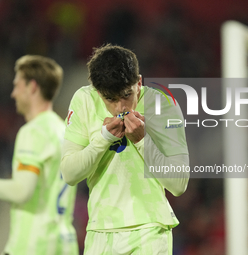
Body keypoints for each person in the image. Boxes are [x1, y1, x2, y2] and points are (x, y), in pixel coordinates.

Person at [60, 44, 189, 255]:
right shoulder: (84, 100)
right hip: (100, 231)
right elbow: (69, 173)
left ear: (139, 82)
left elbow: (179, 183)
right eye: (110, 99)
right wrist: (103, 139)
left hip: (150, 229)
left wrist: (142, 141)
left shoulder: (163, 105)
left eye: (127, 95)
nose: (121, 108)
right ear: (97, 91)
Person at [0, 55, 79, 255]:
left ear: (33, 88)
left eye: (17, 86)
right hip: (63, 243)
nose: (13, 94)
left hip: (32, 244)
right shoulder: (64, 131)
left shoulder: (33, 131)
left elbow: (22, 191)